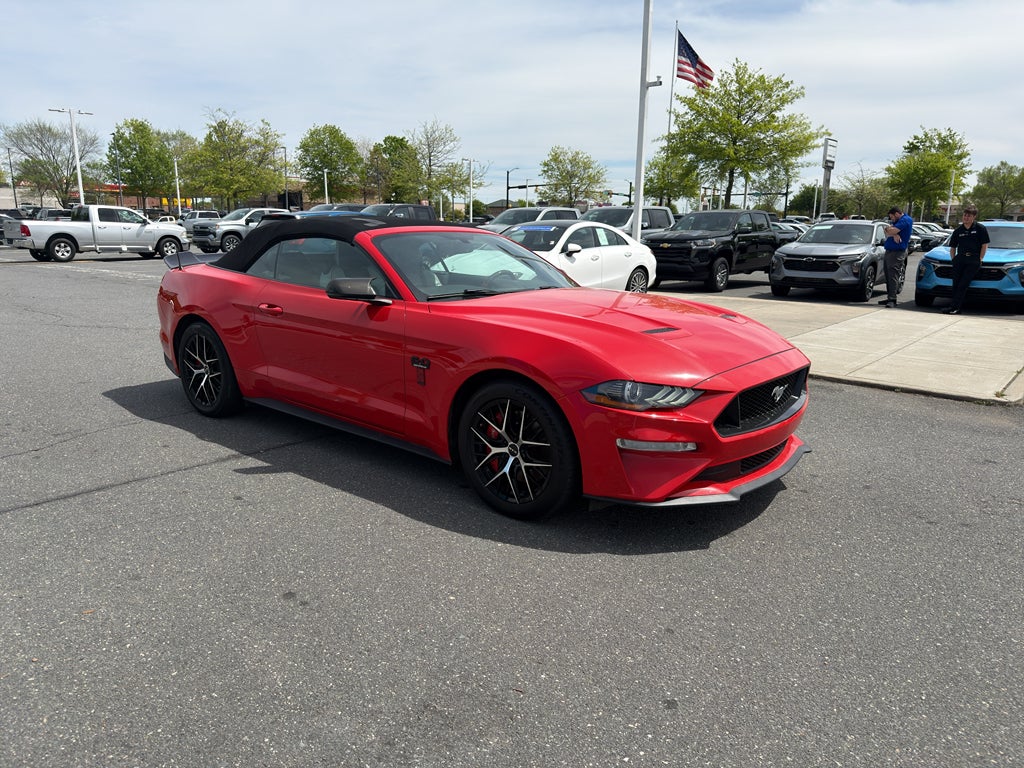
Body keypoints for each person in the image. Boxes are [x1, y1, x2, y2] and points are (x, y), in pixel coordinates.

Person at [943, 204, 990, 315]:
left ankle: (956, 308)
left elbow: (984, 245)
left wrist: (980, 258)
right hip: (960, 259)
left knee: (963, 284)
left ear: (974, 217)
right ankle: (953, 307)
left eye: (969, 216)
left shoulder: (980, 229)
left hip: (973, 260)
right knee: (956, 284)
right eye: (964, 215)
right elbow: (953, 247)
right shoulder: (958, 230)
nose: (966, 218)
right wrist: (954, 259)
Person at [879, 206, 913, 307]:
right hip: (889, 250)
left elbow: (890, 231)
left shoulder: (905, 220)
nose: (892, 219)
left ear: (897, 214)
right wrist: (894, 234)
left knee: (893, 275)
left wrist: (892, 232)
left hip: (897, 252)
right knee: (888, 275)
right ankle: (889, 297)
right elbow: (886, 229)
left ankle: (892, 299)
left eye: (892, 217)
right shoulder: (898, 221)